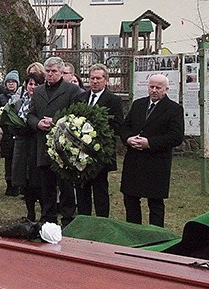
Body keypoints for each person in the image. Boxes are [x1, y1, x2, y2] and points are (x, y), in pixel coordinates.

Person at [120, 74, 184, 227]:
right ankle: (133, 231)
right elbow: (125, 127)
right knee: (130, 199)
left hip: (156, 162)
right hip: (134, 160)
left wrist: (149, 143)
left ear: (166, 89)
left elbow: (175, 137)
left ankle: (155, 235)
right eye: (151, 87)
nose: (154, 90)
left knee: (155, 203)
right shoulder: (138, 104)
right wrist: (128, 139)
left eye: (158, 88)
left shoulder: (174, 109)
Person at [27, 56, 82, 227]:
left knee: (65, 184)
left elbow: (77, 115)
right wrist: (37, 123)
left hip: (63, 146)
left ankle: (67, 218)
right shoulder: (38, 91)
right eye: (48, 72)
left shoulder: (72, 90)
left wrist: (56, 121)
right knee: (46, 185)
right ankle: (48, 216)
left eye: (54, 72)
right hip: (43, 144)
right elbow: (30, 114)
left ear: (61, 72)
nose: (50, 75)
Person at [71, 64, 123, 218]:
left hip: (100, 153)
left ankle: (102, 221)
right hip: (80, 152)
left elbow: (118, 124)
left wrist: (98, 134)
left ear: (105, 80)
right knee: (82, 188)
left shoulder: (113, 100)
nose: (94, 81)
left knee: (100, 189)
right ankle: (83, 219)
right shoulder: (80, 98)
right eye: (92, 78)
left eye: (98, 78)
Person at [10, 72, 45, 221]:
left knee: (38, 182)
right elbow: (11, 124)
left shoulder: (43, 102)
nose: (33, 87)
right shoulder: (19, 103)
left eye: (36, 84)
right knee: (24, 182)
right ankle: (30, 213)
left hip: (36, 145)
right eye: (30, 84)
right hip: (22, 145)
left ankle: (45, 214)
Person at [0, 69, 21, 196]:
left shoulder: (21, 96)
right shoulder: (1, 97)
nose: (11, 84)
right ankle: (9, 183)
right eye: (8, 82)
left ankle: (18, 185)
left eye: (13, 82)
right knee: (8, 159)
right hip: (6, 133)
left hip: (18, 132)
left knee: (18, 160)